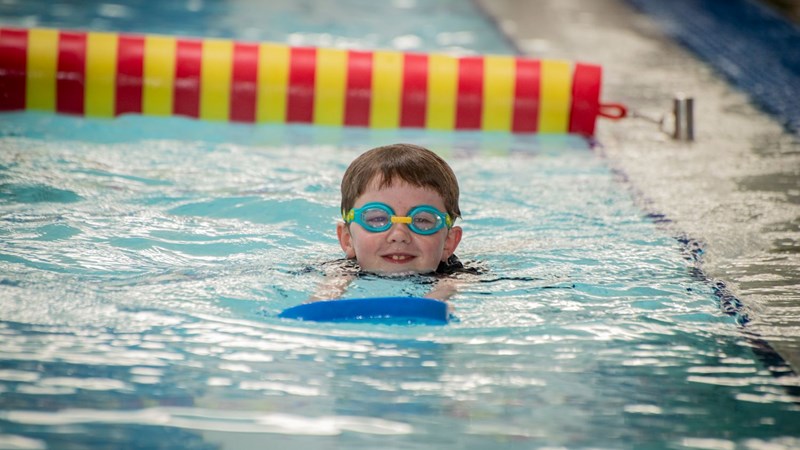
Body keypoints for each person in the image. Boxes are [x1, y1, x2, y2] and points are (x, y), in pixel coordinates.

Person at [311, 143, 476, 302]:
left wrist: (439, 299)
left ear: (448, 243)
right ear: (348, 239)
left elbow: (442, 300)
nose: (399, 235)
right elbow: (319, 304)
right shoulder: (339, 272)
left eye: (421, 220)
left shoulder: (455, 275)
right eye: (377, 219)